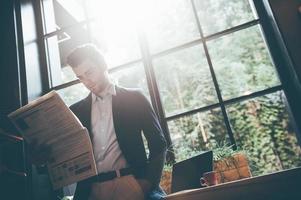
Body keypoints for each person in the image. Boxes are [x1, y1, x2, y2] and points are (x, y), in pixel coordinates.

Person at [30, 44, 167, 200]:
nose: (86, 81)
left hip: (132, 182)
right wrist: (41, 162)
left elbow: (158, 143)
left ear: (103, 66)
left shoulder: (134, 98)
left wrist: (147, 184)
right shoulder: (75, 111)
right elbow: (62, 159)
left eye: (89, 72)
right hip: (90, 191)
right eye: (80, 77)